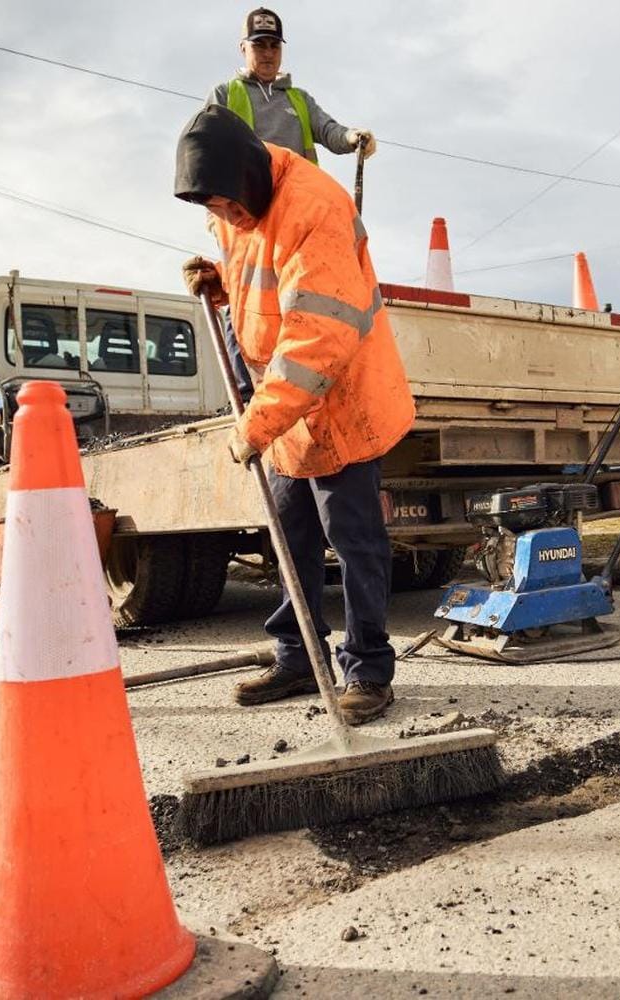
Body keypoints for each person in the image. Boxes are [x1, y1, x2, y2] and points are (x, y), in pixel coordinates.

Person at [174, 104, 414, 723]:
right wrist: (221, 281)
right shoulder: (237, 200)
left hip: (341, 400)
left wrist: (254, 425)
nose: (222, 218)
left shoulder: (318, 209)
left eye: (226, 207)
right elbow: (265, 278)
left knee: (353, 540)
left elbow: (315, 339)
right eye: (213, 212)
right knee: (289, 537)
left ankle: (368, 670)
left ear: (247, 180)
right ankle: (299, 658)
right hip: (286, 408)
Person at [205, 7, 377, 403]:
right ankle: (248, 392)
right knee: (240, 293)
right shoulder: (226, 95)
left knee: (299, 293)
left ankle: (301, 380)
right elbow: (208, 148)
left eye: (273, 46)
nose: (267, 54)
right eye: (259, 45)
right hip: (243, 215)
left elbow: (328, 131)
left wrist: (353, 137)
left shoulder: (298, 99)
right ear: (243, 48)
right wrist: (217, 214)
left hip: (295, 213)